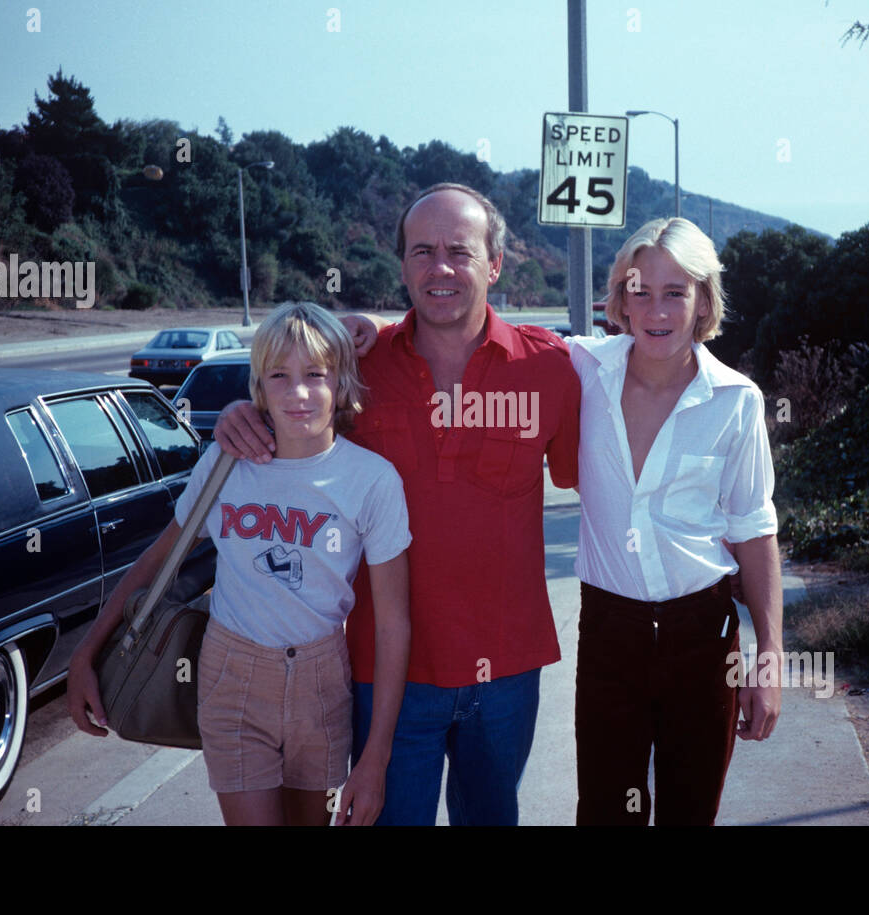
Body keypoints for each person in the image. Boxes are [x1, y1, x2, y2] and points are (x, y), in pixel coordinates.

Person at [213, 183, 582, 825]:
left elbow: (607, 459)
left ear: (494, 264)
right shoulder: (359, 364)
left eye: (459, 252)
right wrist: (241, 414)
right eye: (422, 251)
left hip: (507, 670)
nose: (440, 268)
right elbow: (290, 397)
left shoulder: (549, 369)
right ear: (403, 265)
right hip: (384, 675)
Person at [67, 302, 411, 826]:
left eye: (315, 375)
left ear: (340, 383)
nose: (298, 393)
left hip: (321, 682)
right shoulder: (227, 464)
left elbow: (392, 623)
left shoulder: (372, 480)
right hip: (231, 674)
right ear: (258, 386)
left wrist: (376, 759)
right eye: (279, 376)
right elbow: (154, 565)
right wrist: (84, 655)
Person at [570, 217, 782, 825]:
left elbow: (754, 530)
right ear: (620, 298)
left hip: (703, 635)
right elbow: (485, 341)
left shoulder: (736, 400)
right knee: (608, 816)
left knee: (691, 815)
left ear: (702, 301)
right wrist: (361, 331)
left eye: (675, 292)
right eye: (640, 290)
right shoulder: (582, 370)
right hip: (609, 631)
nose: (656, 308)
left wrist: (767, 662)